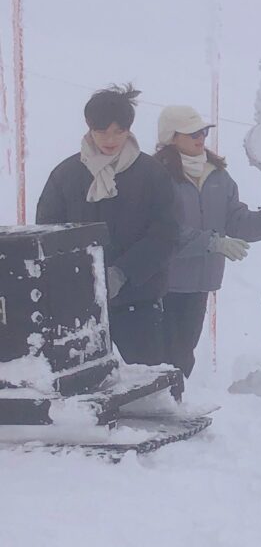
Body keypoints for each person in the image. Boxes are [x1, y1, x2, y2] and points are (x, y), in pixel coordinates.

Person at [36, 84, 176, 365]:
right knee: (83, 391)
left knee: (148, 389)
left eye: (118, 131)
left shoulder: (152, 174)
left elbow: (166, 233)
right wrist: (79, 278)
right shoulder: (66, 174)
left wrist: (122, 273)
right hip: (78, 303)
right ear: (89, 128)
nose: (110, 139)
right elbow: (48, 232)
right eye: (102, 132)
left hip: (138, 300)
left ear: (129, 129)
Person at [153, 104, 261, 378]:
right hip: (163, 282)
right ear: (171, 137)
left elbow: (235, 220)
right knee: (163, 357)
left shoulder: (217, 176)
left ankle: (173, 403)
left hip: (200, 282)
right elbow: (162, 231)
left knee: (183, 355)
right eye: (191, 133)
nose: (200, 137)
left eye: (202, 131)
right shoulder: (156, 176)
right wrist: (211, 243)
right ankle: (160, 407)